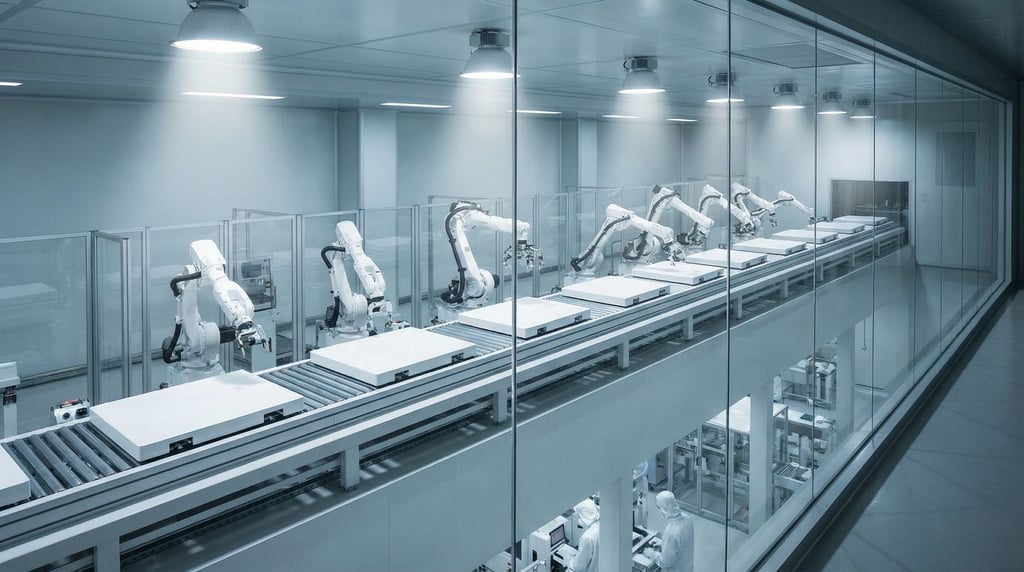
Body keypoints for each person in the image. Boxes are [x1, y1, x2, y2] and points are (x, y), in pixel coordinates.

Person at [643, 490, 694, 572]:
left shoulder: (671, 531)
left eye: (659, 508)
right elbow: (681, 544)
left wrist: (652, 554)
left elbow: (665, 562)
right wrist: (664, 544)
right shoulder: (687, 519)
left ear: (663, 509)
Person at [568, 499, 600, 572]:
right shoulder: (603, 525)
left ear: (581, 516)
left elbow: (577, 567)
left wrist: (569, 561)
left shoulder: (588, 537)